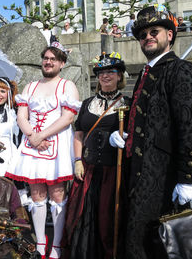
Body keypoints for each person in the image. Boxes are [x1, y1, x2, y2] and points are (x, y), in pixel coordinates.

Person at [109, 4, 192, 259]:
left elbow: (190, 126)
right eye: (142, 34)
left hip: (166, 176)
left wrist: (190, 178)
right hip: (140, 174)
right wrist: (125, 134)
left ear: (169, 35)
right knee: (140, 242)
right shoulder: (146, 73)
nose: (148, 37)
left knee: (162, 245)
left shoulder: (180, 70)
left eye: (154, 31)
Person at [5, 41, 81, 259]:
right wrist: (32, 137)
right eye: (46, 58)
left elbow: (68, 118)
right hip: (33, 144)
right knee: (36, 193)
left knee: (58, 194)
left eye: (53, 59)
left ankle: (56, 245)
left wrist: (41, 136)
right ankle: (40, 243)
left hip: (55, 143)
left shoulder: (67, 86)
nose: (48, 62)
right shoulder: (30, 86)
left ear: (62, 63)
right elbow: (21, 116)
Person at [62, 52, 129, 259]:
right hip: (89, 171)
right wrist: (77, 160)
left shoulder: (129, 103)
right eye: (101, 73)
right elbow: (79, 134)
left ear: (119, 76)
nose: (105, 76)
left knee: (108, 219)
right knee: (82, 218)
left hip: (114, 172)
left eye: (111, 72)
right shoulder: (87, 104)